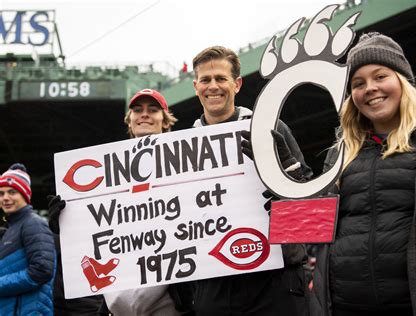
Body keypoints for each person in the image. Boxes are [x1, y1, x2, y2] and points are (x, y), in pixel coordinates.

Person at [307, 32, 416, 315]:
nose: (369, 88)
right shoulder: (340, 154)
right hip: (348, 306)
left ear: (402, 81)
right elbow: (312, 230)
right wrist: (289, 177)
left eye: (380, 76)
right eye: (358, 83)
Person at [188, 45, 313, 316]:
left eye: (221, 78)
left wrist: (286, 174)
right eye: (206, 80)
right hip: (215, 285)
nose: (213, 86)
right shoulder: (178, 149)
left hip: (277, 279)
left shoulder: (271, 128)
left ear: (237, 83)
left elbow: (311, 215)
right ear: (195, 85)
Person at [48, 89, 181, 316]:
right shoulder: (105, 173)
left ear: (165, 120)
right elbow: (97, 229)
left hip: (170, 301)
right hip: (119, 302)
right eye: (137, 110)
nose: (144, 115)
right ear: (129, 121)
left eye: (153, 110)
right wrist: (66, 225)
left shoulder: (183, 161)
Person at [0, 163, 56, 315]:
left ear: (25, 195)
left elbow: (42, 270)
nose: (5, 198)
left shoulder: (33, 224)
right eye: (1, 193)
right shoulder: (11, 229)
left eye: (12, 192)